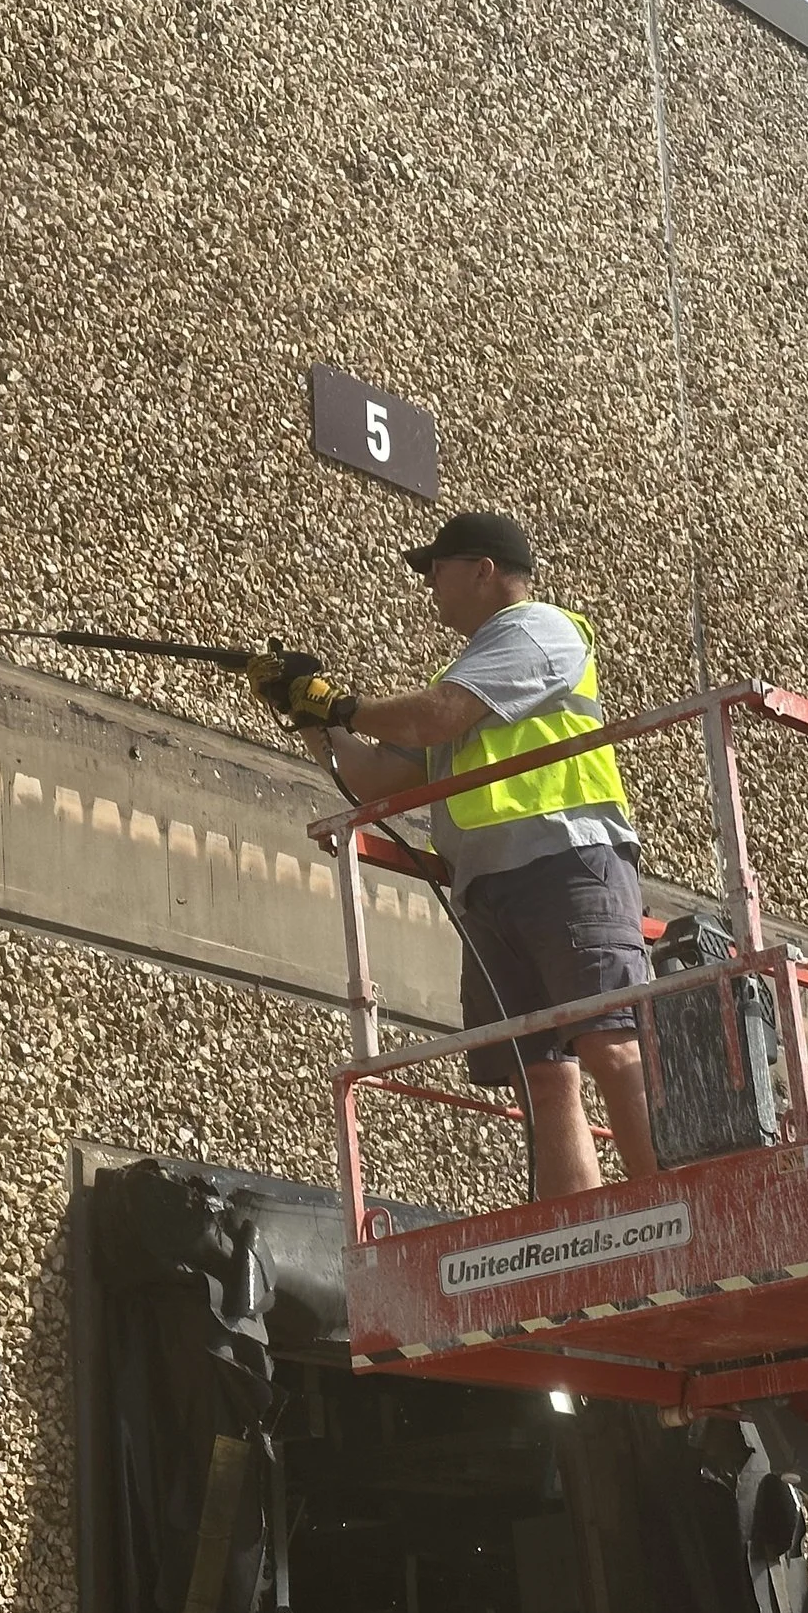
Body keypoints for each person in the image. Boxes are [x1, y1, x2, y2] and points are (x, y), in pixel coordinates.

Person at [249, 510, 655, 1197]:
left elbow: (433, 715)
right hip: (491, 887)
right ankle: (581, 1241)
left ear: (483, 570)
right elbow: (377, 779)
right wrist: (307, 719)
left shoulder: (538, 629)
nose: (430, 584)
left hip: (566, 860)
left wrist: (341, 704)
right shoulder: (469, 670)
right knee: (543, 1072)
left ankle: (681, 1214)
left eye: (436, 569)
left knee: (610, 1043)